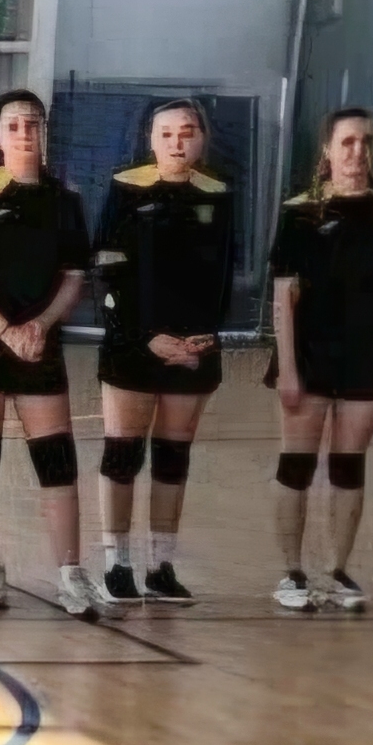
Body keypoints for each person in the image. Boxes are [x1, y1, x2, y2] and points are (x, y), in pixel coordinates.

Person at [0, 89, 98, 619]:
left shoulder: (65, 200)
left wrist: (39, 325)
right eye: (13, 125)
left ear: (44, 132)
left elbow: (74, 276)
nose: (24, 132)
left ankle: (70, 575)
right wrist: (3, 330)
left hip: (38, 349)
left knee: (58, 464)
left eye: (33, 124)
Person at [264, 107, 373, 612]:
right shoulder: (300, 212)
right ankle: (292, 573)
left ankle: (338, 571)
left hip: (365, 358)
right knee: (297, 465)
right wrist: (287, 367)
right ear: (328, 149)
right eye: (347, 142)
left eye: (366, 141)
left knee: (349, 466)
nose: (358, 151)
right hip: (307, 356)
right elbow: (282, 295)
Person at [92, 100, 235, 606]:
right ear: (150, 139)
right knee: (123, 455)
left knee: (173, 459)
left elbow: (223, 271)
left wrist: (207, 334)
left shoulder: (217, 193)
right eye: (167, 133)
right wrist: (145, 335)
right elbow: (106, 268)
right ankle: (117, 565)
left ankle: (160, 566)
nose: (178, 142)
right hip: (133, 344)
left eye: (187, 132)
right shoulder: (125, 187)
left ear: (202, 139)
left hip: (192, 349)